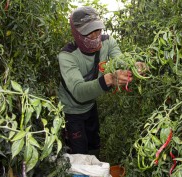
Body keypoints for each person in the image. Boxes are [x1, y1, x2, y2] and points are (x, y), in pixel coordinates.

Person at [58, 6, 144, 157]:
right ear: (77, 34)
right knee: (79, 154)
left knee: (94, 144)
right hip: (72, 111)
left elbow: (120, 61)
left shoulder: (108, 42)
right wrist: (110, 78)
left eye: (98, 29)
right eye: (89, 32)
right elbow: (79, 92)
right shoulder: (67, 56)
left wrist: (134, 67)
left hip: (91, 105)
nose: (96, 35)